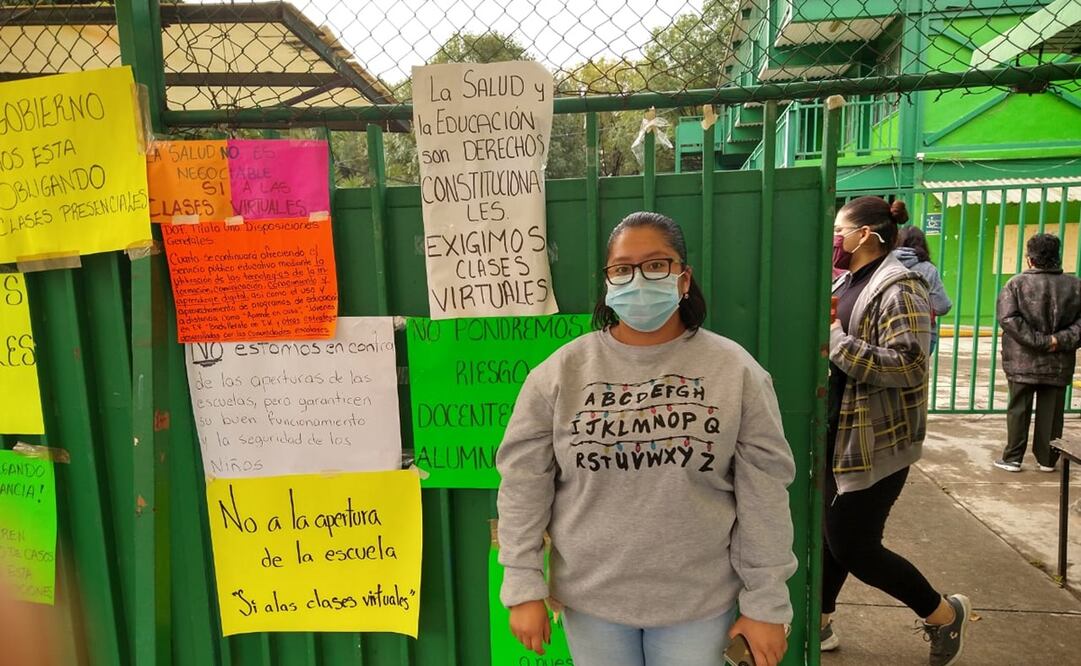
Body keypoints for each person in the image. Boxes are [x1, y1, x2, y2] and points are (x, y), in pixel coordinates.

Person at [496, 211, 797, 666]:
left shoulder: (736, 372)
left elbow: (765, 494)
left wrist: (767, 603)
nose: (638, 279)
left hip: (698, 605)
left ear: (683, 277)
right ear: (608, 281)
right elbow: (523, 484)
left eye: (657, 264)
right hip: (591, 602)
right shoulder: (559, 374)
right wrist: (522, 584)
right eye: (622, 269)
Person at [825, 196, 971, 666]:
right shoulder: (850, 279)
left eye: (839, 230)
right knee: (832, 536)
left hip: (876, 439)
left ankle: (943, 614)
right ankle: (821, 620)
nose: (836, 240)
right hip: (843, 433)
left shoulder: (900, 287)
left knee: (855, 546)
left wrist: (837, 343)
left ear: (865, 234)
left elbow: (909, 364)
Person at [993, 233, 1081, 473]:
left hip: (1022, 361)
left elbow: (1008, 319)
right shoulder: (1075, 285)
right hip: (1059, 361)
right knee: (1052, 412)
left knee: (1018, 409)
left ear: (1030, 258)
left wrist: (1038, 341)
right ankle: (1047, 459)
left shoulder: (1015, 284)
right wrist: (1056, 340)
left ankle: (1012, 458)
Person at [894, 226, 952, 353]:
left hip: (889, 329)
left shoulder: (883, 263)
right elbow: (942, 306)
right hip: (922, 332)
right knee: (917, 372)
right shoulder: (928, 268)